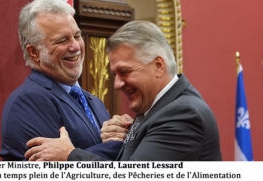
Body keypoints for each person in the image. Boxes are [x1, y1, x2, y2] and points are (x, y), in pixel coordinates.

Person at [25, 20, 222, 161]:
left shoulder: (182, 114)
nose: (118, 84)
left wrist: (70, 155)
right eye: (115, 75)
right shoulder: (156, 109)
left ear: (158, 66)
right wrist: (121, 139)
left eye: (125, 72)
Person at [0, 0, 132, 161]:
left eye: (77, 36)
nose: (75, 46)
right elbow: (53, 172)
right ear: (34, 52)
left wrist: (121, 133)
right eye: (62, 40)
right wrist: (120, 144)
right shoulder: (27, 102)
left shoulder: (94, 102)